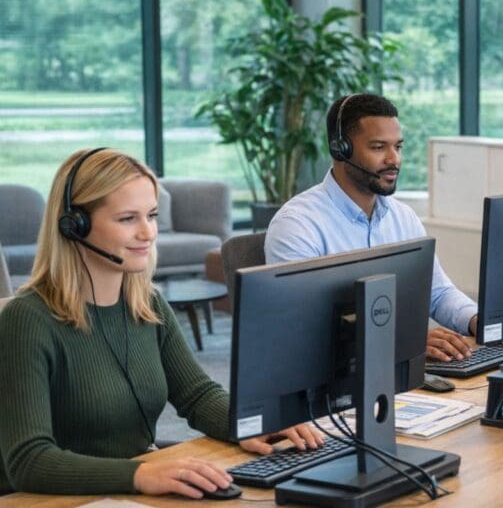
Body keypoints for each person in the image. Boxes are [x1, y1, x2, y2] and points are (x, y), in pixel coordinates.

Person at [0, 148, 322, 497]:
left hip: (129, 492)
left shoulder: (146, 303)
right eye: (127, 219)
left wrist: (252, 424)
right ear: (74, 225)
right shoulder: (28, 320)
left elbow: (197, 396)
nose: (148, 232)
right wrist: (139, 475)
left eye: (151, 215)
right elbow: (29, 461)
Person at [265, 93, 503, 362]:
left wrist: (477, 319)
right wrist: (404, 339)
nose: (394, 159)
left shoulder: (403, 217)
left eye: (398, 147)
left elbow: (436, 292)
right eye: (378, 147)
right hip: (334, 382)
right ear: (340, 149)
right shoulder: (296, 225)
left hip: (399, 370)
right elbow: (306, 327)